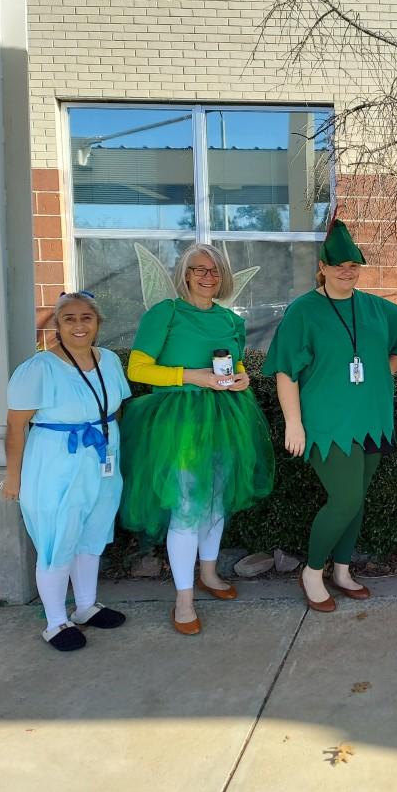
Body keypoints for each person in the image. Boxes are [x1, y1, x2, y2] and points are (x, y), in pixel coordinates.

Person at [265, 220, 397, 612]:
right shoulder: (304, 311)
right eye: (339, 264)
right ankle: (312, 571)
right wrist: (294, 423)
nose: (347, 270)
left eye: (353, 264)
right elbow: (286, 370)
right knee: (345, 498)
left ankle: (341, 570)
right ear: (323, 266)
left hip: (372, 418)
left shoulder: (374, 307)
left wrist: (387, 370)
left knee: (356, 501)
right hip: (327, 424)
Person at [119, 244, 275, 635]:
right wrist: (193, 377)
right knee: (188, 504)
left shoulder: (228, 319)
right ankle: (183, 599)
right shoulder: (166, 313)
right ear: (185, 274)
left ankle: (209, 572)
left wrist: (242, 377)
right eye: (199, 270)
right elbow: (138, 368)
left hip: (226, 417)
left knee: (216, 497)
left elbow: (233, 363)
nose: (208, 276)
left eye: (214, 271)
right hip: (179, 420)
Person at [3, 292, 131, 651]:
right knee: (58, 539)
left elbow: (114, 409)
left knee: (92, 533)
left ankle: (86, 605)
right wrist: (14, 476)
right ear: (57, 325)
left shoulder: (109, 362)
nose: (79, 325)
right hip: (56, 462)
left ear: (98, 323)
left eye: (86, 317)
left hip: (101, 459)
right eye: (69, 318)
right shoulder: (38, 369)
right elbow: (15, 428)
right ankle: (56, 621)